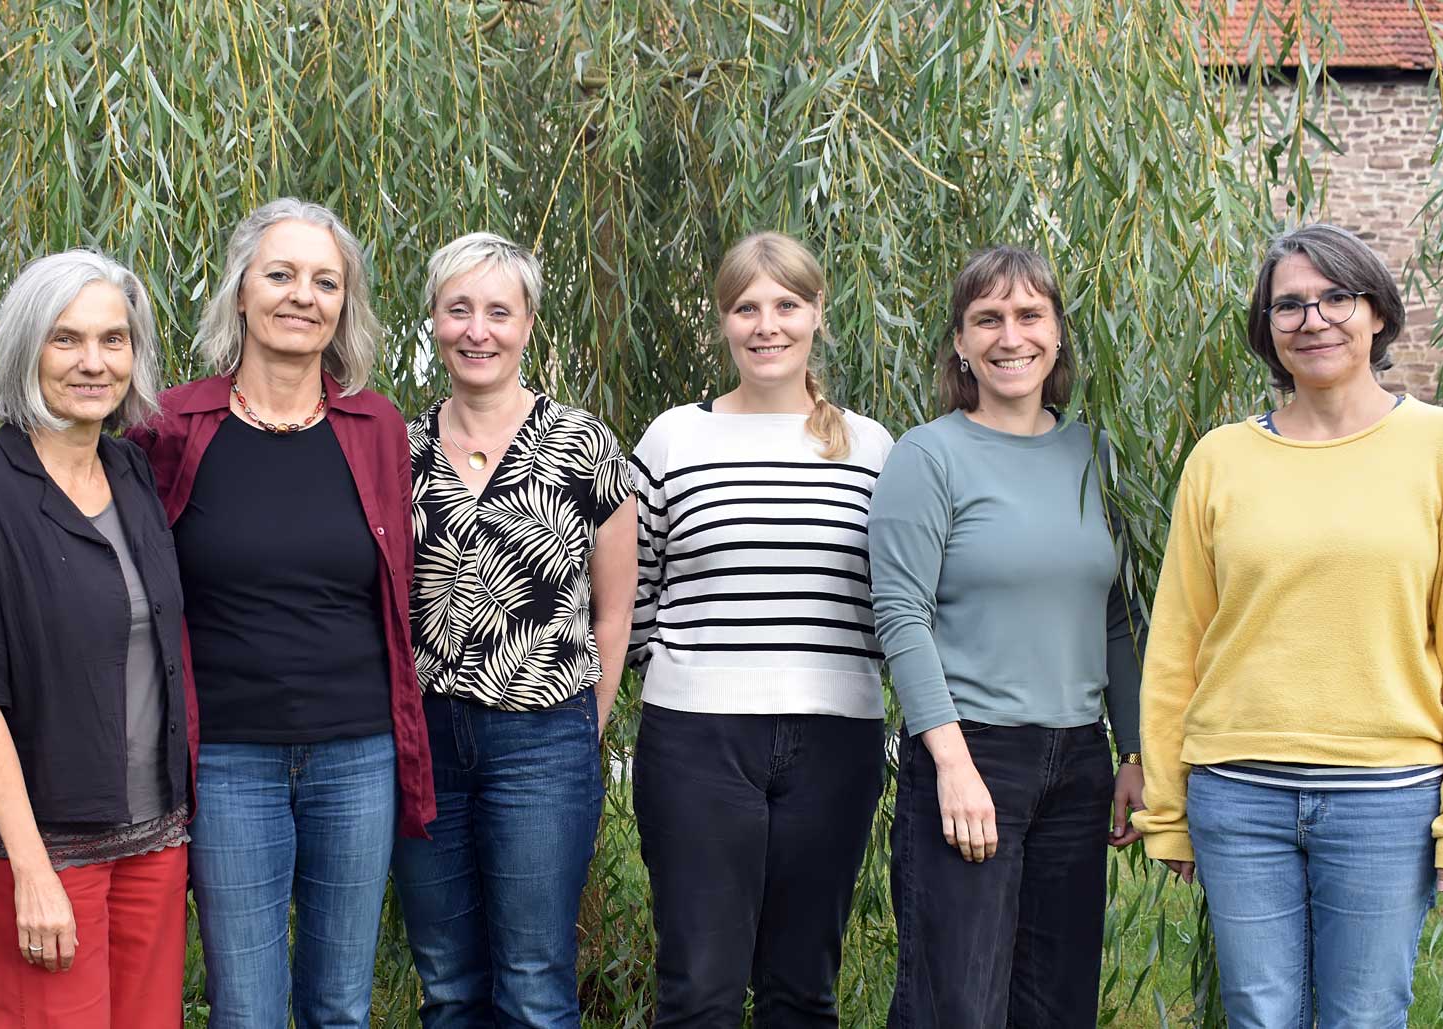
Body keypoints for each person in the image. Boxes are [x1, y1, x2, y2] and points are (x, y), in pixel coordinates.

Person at [1133, 223, 1443, 1028]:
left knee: (1365, 1014)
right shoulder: (1219, 459)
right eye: (1289, 305)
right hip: (1238, 796)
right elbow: (1175, 647)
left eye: (1335, 297)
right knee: (1258, 1013)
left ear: (1376, 311)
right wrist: (1166, 805)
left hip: (1386, 797)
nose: (1314, 319)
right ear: (1267, 329)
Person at [124, 197, 433, 1029]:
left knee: (338, 1003)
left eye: (325, 281)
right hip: (229, 759)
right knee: (248, 1007)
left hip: (356, 752)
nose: (303, 295)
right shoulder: (172, 427)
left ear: (344, 304)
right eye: (282, 274)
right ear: (241, 291)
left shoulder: (375, 427)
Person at [868, 245, 1145, 1028]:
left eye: (1030, 315)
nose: (1009, 335)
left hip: (1078, 762)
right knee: (956, 1002)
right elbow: (901, 615)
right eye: (987, 318)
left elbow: (1117, 614)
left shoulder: (1095, 454)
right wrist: (951, 764)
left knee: (1057, 1002)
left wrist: (1133, 752)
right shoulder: (929, 456)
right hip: (972, 751)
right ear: (960, 341)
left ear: (1058, 334)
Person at [627, 231, 896, 1027]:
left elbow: (890, 604)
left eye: (786, 304)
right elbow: (638, 590)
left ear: (818, 313)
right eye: (746, 306)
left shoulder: (872, 447)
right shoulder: (674, 438)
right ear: (723, 320)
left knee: (802, 990)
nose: (766, 324)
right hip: (697, 740)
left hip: (836, 740)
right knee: (699, 989)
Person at [0, 250, 189, 1027]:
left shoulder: (132, 472)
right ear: (25, 348)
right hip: (45, 847)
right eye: (66, 339)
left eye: (114, 339)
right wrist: (31, 867)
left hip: (156, 837)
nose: (93, 362)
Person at [391, 231, 638, 1027]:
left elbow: (614, 608)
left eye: (498, 311)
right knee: (449, 982)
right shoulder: (398, 449)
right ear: (432, 318)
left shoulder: (584, 444)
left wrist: (585, 723)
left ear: (528, 323)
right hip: (427, 741)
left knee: (533, 980)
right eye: (459, 309)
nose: (478, 330)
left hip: (542, 737)